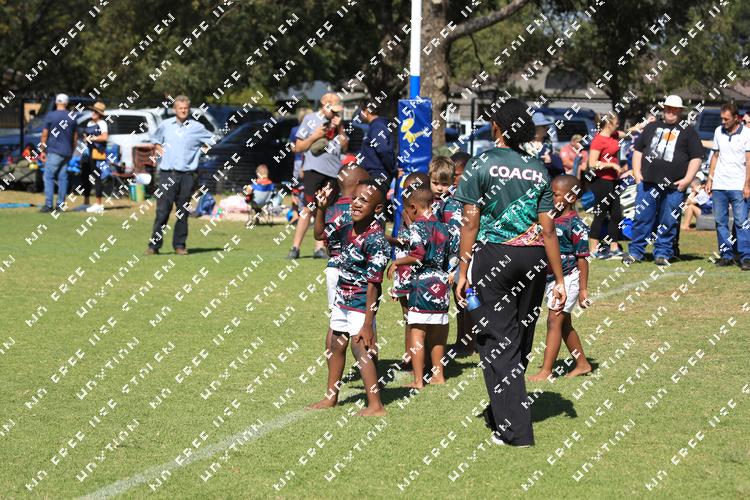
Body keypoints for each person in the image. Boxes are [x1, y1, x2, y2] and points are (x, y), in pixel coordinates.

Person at [455, 98, 566, 447]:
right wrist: (559, 278)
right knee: (519, 338)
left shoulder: (481, 162)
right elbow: (549, 229)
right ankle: (501, 411)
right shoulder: (537, 167)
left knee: (497, 341)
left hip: (494, 257)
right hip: (534, 258)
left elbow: (470, 222)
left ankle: (515, 432)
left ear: (497, 128)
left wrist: (462, 269)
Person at [308, 179, 390, 417]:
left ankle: (376, 405)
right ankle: (331, 397)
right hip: (342, 299)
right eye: (354, 198)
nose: (356, 203)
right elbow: (319, 233)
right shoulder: (346, 225)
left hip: (361, 303)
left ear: (377, 209)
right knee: (335, 344)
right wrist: (321, 209)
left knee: (360, 348)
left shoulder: (376, 240)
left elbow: (375, 285)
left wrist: (368, 323)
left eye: (363, 200)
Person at [623, 95, 704, 265]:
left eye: (674, 109)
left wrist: (687, 179)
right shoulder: (651, 127)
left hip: (675, 186)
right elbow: (638, 150)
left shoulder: (688, 131)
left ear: (680, 111)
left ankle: (663, 253)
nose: (670, 112)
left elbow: (696, 157)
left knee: (669, 220)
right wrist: (636, 172)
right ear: (663, 109)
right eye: (668, 108)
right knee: (642, 218)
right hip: (648, 183)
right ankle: (635, 252)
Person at [528, 175, 593, 382]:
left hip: (568, 278)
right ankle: (582, 364)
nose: (551, 198)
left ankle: (546, 370)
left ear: (571, 197)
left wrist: (583, 290)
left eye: (555, 195)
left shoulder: (575, 225)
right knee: (563, 324)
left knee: (553, 321)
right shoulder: (549, 220)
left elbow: (582, 259)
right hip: (552, 280)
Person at [388, 187, 451, 389]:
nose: (407, 214)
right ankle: (438, 375)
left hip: (422, 284)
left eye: (407, 210)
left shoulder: (416, 227)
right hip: (442, 284)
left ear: (413, 207)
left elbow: (417, 256)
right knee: (438, 332)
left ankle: (418, 380)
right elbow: (450, 256)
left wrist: (397, 263)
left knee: (417, 331)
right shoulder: (444, 227)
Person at [145, 95, 215, 256]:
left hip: (187, 176)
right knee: (162, 211)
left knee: (182, 212)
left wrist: (201, 151)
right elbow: (155, 139)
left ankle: (179, 246)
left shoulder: (197, 127)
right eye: (180, 108)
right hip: (167, 174)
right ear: (174, 109)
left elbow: (213, 140)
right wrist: (158, 147)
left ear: (188, 110)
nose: (183, 111)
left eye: (185, 108)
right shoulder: (166, 125)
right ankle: (154, 246)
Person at [287, 93, 349, 260]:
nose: (335, 113)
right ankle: (295, 248)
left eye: (337, 111)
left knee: (325, 210)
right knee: (308, 208)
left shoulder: (338, 122)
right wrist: (315, 136)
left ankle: (319, 248)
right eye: (333, 110)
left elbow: (344, 146)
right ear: (324, 105)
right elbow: (298, 147)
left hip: (333, 171)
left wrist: (339, 128)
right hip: (313, 170)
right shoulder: (310, 119)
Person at [387, 172, 430, 371]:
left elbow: (421, 241)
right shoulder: (405, 211)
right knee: (407, 315)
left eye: (414, 190)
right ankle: (409, 356)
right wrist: (389, 239)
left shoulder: (427, 214)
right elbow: (405, 243)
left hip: (421, 272)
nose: (409, 194)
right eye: (406, 190)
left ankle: (423, 358)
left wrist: (409, 220)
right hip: (404, 270)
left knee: (421, 317)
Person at [705, 102, 750, 270]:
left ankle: (746, 257)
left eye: (726, 119)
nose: (723, 122)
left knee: (741, 222)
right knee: (720, 222)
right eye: (721, 119)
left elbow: (749, 160)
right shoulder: (718, 131)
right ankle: (726, 255)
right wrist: (710, 179)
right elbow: (715, 156)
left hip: (738, 185)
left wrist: (747, 185)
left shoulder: (747, 134)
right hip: (719, 185)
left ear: (736, 118)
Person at [582, 114, 624, 259]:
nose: (618, 125)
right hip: (602, 182)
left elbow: (627, 133)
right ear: (609, 124)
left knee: (616, 214)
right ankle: (593, 250)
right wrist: (611, 164)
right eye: (617, 122)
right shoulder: (598, 140)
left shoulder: (614, 135)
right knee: (600, 215)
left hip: (614, 180)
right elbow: (592, 163)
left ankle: (614, 248)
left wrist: (640, 127)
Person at [449, 151, 474, 356]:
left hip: (471, 255)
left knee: (470, 298)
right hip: (454, 256)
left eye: (456, 175)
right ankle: (461, 340)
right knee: (458, 298)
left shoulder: (475, 194)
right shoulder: (451, 197)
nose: (453, 179)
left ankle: (471, 342)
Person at [39, 93, 78, 212]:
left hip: (54, 151)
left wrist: (42, 150)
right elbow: (75, 137)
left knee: (48, 176)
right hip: (67, 151)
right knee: (63, 178)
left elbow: (44, 134)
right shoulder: (72, 116)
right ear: (66, 103)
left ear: (56, 102)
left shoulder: (51, 115)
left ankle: (48, 205)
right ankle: (60, 205)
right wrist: (72, 151)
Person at [359, 99, 396, 193]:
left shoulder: (377, 126)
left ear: (367, 111)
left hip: (378, 176)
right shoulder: (375, 126)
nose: (360, 114)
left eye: (361, 111)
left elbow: (384, 150)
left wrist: (393, 170)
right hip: (375, 175)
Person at [82, 101, 110, 214]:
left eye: (96, 112)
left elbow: (104, 137)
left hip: (97, 153)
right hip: (87, 153)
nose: (93, 113)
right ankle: (86, 202)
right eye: (93, 111)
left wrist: (93, 138)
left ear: (100, 114)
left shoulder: (102, 123)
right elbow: (86, 135)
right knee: (85, 176)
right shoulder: (89, 123)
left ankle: (99, 204)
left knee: (96, 177)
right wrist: (86, 138)